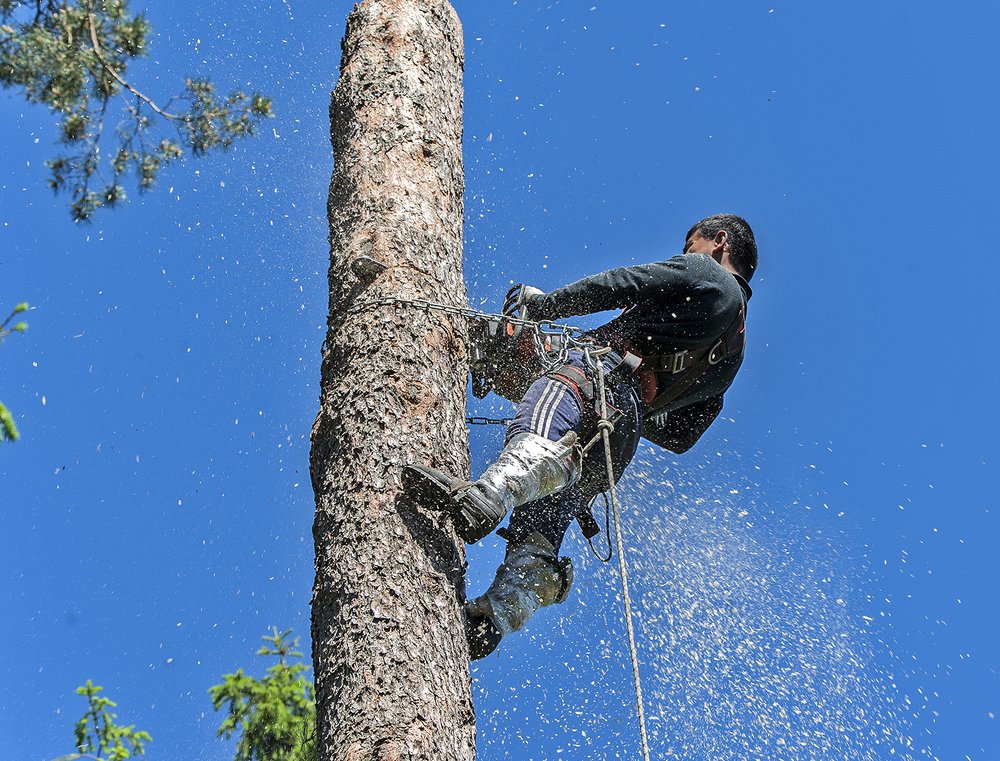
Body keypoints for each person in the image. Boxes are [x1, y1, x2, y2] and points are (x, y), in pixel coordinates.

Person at [404, 213, 757, 659]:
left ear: (719, 241)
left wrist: (543, 307)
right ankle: (502, 610)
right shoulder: (733, 355)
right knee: (545, 516)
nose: (687, 253)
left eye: (692, 244)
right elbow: (682, 437)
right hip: (620, 440)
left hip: (595, 378)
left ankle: (488, 496)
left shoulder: (708, 273)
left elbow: (623, 283)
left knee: (543, 420)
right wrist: (633, 404)